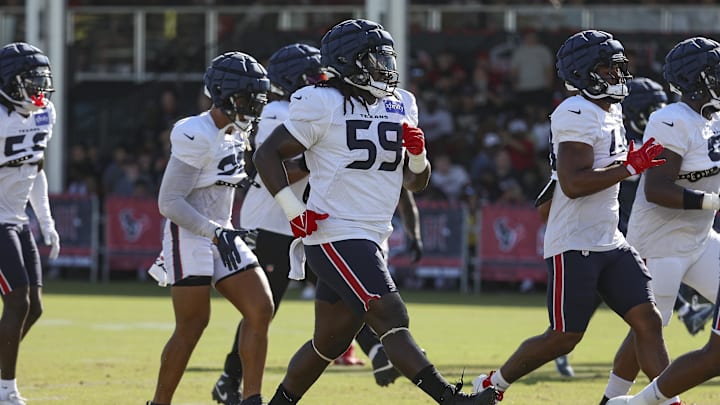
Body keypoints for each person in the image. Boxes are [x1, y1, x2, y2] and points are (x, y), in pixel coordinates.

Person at [253, 19, 498, 405]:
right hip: (333, 231)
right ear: (351, 61)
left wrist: (417, 156)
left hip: (371, 233)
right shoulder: (321, 101)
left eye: (387, 56)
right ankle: (453, 400)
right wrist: (293, 210)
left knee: (329, 342)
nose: (385, 65)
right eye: (376, 57)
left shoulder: (401, 102)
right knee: (392, 316)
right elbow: (266, 153)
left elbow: (415, 183)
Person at [472, 29, 671, 402]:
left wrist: (632, 164)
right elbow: (574, 183)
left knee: (648, 319)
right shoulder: (575, 111)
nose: (617, 76)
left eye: (618, 68)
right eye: (607, 69)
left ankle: (666, 401)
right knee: (564, 337)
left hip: (610, 238)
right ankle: (493, 384)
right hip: (575, 241)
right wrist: (630, 167)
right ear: (584, 73)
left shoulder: (610, 110)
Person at [147, 51, 274, 405]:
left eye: (257, 99)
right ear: (224, 94)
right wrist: (215, 231)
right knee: (192, 325)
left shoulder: (237, 132)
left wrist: (229, 229)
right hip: (189, 232)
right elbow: (169, 202)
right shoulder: (196, 131)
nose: (253, 106)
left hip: (223, 232)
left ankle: (251, 399)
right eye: (247, 98)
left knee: (261, 308)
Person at [602, 36, 720, 405]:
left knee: (648, 329)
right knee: (651, 328)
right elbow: (657, 189)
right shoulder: (671, 119)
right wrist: (716, 200)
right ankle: (622, 400)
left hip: (700, 240)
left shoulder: (715, 119)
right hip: (660, 244)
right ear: (698, 78)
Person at [210, 42, 327, 405]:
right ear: (293, 78)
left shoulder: (305, 107)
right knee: (262, 307)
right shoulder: (277, 110)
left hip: (298, 222)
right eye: (312, 75)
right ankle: (231, 380)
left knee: (272, 307)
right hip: (270, 222)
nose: (320, 80)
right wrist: (313, 162)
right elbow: (279, 167)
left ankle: (376, 352)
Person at [0, 42, 60, 405]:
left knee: (33, 307)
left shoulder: (44, 113)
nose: (39, 89)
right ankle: (6, 390)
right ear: (9, 82)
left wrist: (46, 221)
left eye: (42, 81)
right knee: (18, 302)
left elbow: (34, 169)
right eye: (30, 81)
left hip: (17, 218)